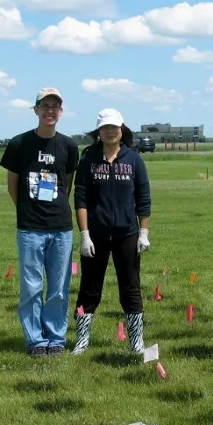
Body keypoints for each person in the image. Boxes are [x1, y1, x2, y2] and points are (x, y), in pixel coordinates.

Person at [0, 88, 79, 358]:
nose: (50, 111)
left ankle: (56, 338)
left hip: (61, 229)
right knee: (32, 287)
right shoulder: (19, 144)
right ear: (35, 110)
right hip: (30, 228)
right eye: (44, 105)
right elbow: (12, 184)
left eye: (55, 106)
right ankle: (35, 340)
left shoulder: (68, 146)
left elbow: (66, 183)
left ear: (61, 112)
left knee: (58, 288)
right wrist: (26, 209)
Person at [72, 108, 151, 355]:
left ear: (121, 129)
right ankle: (82, 340)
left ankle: (136, 341)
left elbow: (143, 198)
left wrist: (143, 232)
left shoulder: (134, 159)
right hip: (95, 235)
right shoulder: (88, 159)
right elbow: (80, 198)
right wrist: (84, 235)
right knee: (89, 287)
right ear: (98, 131)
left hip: (127, 234)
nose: (109, 131)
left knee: (130, 287)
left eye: (113, 127)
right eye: (104, 127)